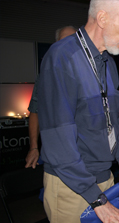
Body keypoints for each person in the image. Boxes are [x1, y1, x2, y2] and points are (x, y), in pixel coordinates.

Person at [37, 1, 119, 223]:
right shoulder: (62, 58)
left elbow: (117, 122)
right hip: (72, 186)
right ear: (103, 19)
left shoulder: (108, 62)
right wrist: (96, 199)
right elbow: (59, 144)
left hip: (105, 179)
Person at [25, 25, 77, 169]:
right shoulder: (45, 75)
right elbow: (35, 111)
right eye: (63, 41)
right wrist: (34, 147)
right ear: (56, 46)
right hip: (57, 156)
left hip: (85, 154)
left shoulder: (89, 72)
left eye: (73, 41)